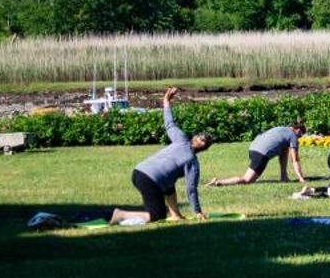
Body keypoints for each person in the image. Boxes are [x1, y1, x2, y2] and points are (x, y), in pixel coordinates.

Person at [109, 87, 211, 225]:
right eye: (202, 139)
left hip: (138, 171)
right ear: (204, 149)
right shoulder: (192, 162)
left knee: (169, 184)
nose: (200, 139)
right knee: (158, 215)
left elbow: (169, 124)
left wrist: (166, 102)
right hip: (149, 180)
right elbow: (191, 189)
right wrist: (198, 211)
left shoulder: (181, 139)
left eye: (201, 139)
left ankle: (176, 215)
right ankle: (121, 214)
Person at [208, 117, 308, 186]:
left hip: (253, 149)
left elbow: (284, 153)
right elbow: (295, 160)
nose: (300, 136)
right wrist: (301, 178)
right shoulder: (292, 136)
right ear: (297, 130)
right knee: (247, 180)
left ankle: (283, 177)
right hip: (261, 154)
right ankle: (218, 182)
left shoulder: (282, 129)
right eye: (301, 133)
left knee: (284, 149)